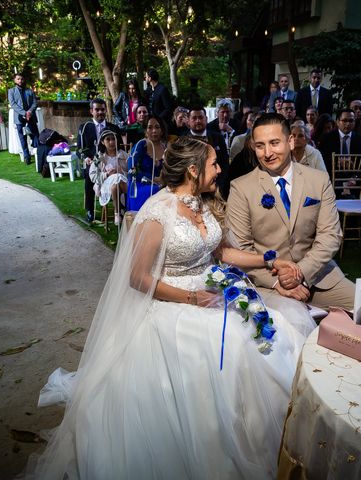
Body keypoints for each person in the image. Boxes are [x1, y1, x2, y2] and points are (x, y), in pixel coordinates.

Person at [28, 136, 315, 479]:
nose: (219, 169)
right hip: (172, 302)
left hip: (215, 290)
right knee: (227, 352)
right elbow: (137, 277)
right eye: (213, 164)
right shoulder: (157, 213)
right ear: (193, 170)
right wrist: (192, 299)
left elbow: (222, 252)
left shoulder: (200, 203)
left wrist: (269, 260)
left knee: (272, 331)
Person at [227, 113, 355, 310]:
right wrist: (279, 282)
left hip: (319, 277)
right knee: (288, 326)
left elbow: (330, 236)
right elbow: (241, 249)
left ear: (290, 142)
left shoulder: (318, 180)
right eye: (260, 146)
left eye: (274, 143)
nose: (267, 153)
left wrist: (300, 273)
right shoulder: (241, 188)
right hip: (268, 282)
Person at [78, 98, 123, 223]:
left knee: (119, 172)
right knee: (89, 173)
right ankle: (89, 209)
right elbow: (80, 149)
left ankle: (120, 207)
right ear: (91, 111)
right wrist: (86, 158)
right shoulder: (84, 127)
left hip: (111, 159)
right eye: (97, 109)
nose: (100, 112)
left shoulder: (113, 127)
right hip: (93, 162)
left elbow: (119, 146)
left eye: (102, 109)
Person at [183, 106, 230, 198]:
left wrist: (219, 186)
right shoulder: (182, 140)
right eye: (194, 118)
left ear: (206, 119)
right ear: (188, 121)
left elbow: (225, 164)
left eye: (200, 117)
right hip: (190, 190)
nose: (198, 121)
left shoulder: (218, 138)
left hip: (216, 189)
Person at [126, 115, 167, 211]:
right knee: (156, 190)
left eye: (157, 127)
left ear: (162, 130)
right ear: (145, 131)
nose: (154, 130)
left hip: (162, 184)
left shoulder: (166, 147)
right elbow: (131, 170)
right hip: (140, 186)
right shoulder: (140, 145)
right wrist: (153, 179)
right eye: (150, 127)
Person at [90, 129, 129, 225]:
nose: (111, 142)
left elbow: (132, 171)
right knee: (115, 183)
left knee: (117, 181)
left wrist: (122, 171)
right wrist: (107, 174)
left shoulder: (123, 155)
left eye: (113, 139)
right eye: (108, 139)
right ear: (103, 142)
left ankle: (117, 213)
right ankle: (122, 210)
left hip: (123, 184)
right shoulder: (99, 157)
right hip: (106, 186)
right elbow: (93, 176)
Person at [319, 108, 361, 172]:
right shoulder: (327, 138)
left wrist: (354, 178)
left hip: (353, 177)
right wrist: (336, 162)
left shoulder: (360, 140)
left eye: (351, 121)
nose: (348, 124)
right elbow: (322, 161)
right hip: (331, 176)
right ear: (337, 122)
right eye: (344, 120)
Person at [8, 73, 39, 164]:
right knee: (22, 137)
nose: (20, 81)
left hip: (31, 117)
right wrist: (24, 113)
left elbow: (35, 103)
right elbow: (13, 104)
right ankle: (26, 156)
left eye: (21, 79)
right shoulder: (11, 91)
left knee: (35, 135)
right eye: (18, 79)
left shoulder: (29, 91)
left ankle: (38, 152)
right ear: (14, 80)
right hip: (19, 118)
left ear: (24, 80)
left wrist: (29, 112)